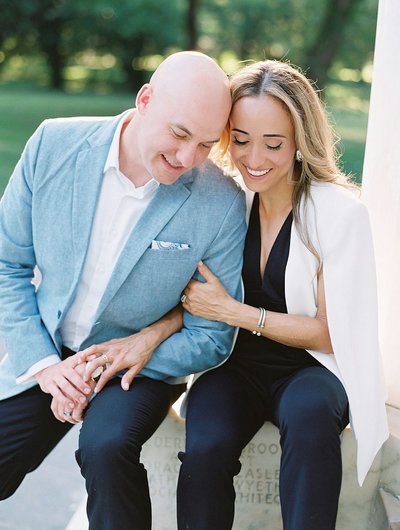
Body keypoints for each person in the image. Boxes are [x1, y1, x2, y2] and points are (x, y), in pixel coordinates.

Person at [0, 51, 247, 529]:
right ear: (145, 99)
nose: (186, 158)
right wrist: (48, 368)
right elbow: (7, 265)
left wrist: (126, 356)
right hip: (49, 352)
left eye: (204, 144)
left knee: (106, 447)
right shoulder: (53, 144)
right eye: (179, 134)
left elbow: (212, 336)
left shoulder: (221, 202)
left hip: (141, 369)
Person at [176, 60, 389, 530]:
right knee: (205, 448)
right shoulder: (223, 201)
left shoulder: (338, 214)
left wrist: (237, 312)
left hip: (311, 369)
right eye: (242, 139)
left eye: (273, 143)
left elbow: (332, 335)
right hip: (234, 366)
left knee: (311, 420)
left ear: (299, 143)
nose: (254, 158)